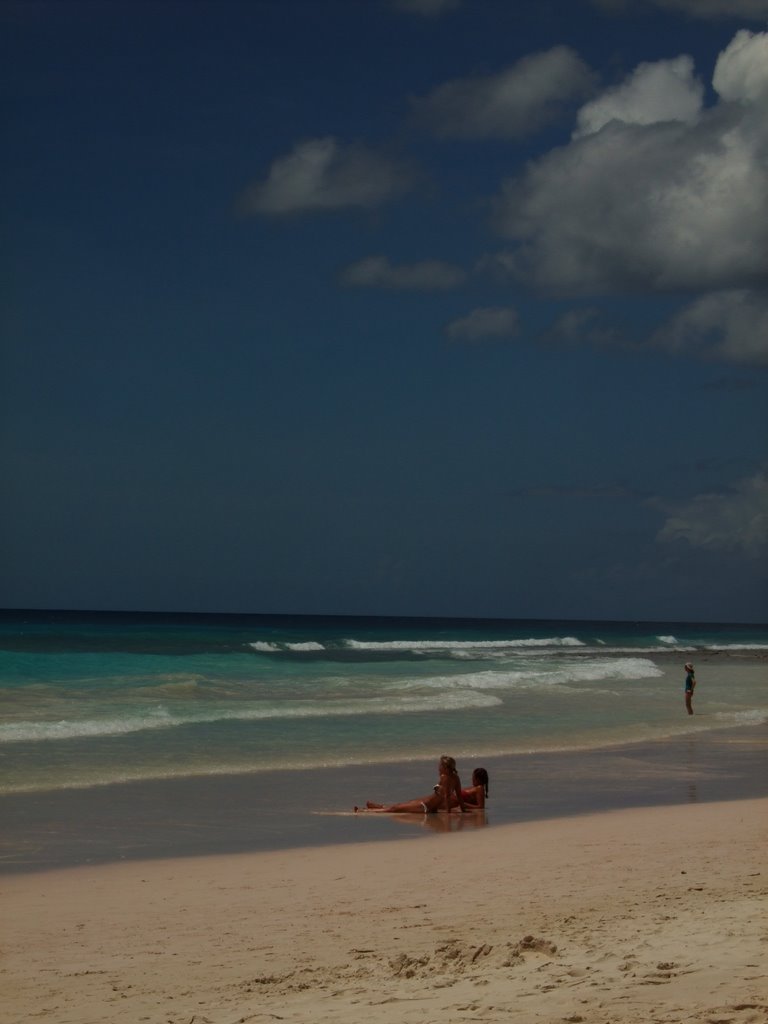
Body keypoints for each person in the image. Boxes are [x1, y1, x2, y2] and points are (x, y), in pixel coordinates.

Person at [357, 755, 468, 814]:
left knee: (395, 809)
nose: (438, 768)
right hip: (429, 805)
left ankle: (364, 811)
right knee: (403, 805)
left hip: (426, 806)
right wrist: (463, 810)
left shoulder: (444, 778)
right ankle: (378, 806)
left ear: (445, 768)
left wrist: (448, 813)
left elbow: (447, 797)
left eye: (440, 766)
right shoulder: (455, 778)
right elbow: (458, 796)